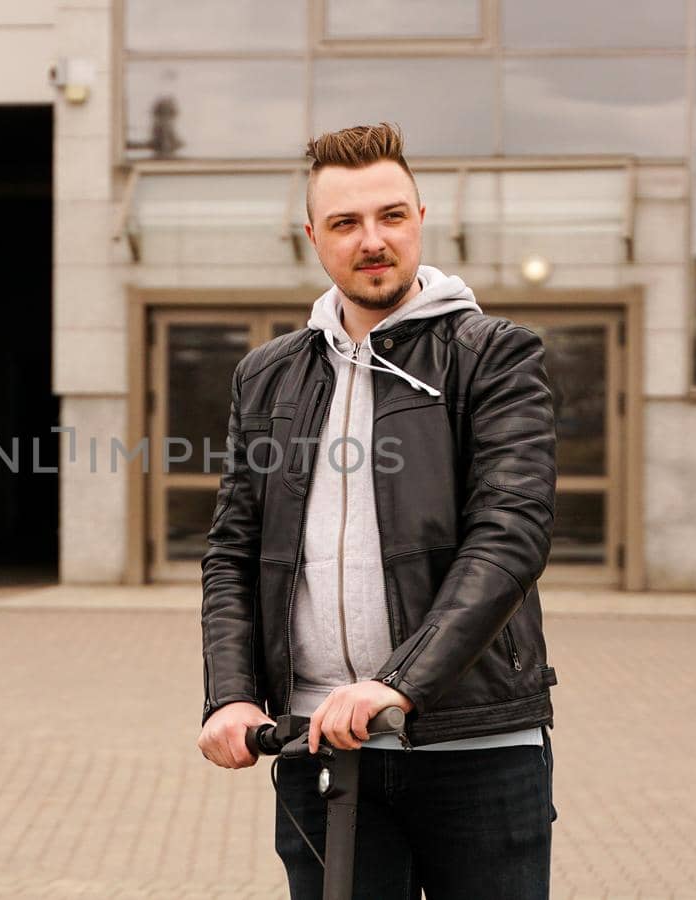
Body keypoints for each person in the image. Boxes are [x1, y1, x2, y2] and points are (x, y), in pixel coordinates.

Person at [196, 122, 560, 900]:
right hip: (317, 750)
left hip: (476, 745)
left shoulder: (492, 355)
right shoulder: (267, 377)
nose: (372, 239)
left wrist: (400, 682)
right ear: (312, 238)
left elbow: (510, 536)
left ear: (421, 218)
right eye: (345, 223)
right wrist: (230, 693)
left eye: (391, 216)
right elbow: (234, 550)